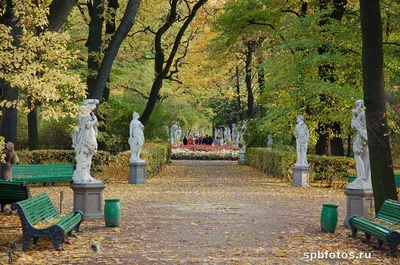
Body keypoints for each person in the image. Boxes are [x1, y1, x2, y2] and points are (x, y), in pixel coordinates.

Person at [72, 99, 102, 184]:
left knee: (88, 159)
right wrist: (95, 120)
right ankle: (82, 176)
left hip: (89, 137)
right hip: (85, 139)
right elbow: (88, 125)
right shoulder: (85, 115)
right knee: (84, 159)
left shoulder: (87, 114)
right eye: (92, 107)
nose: (93, 109)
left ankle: (87, 175)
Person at [347, 100, 371, 190]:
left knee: (357, 156)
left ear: (359, 105)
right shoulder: (362, 114)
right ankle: (362, 177)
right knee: (363, 156)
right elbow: (353, 126)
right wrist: (354, 116)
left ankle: (361, 177)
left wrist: (355, 116)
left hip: (361, 137)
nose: (356, 107)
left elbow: (355, 125)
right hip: (363, 137)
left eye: (357, 105)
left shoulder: (362, 114)